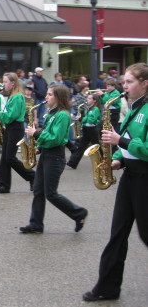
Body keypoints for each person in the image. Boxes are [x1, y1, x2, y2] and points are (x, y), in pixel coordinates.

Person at [83, 63, 148, 302]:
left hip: (145, 179)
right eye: (124, 82)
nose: (124, 86)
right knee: (117, 234)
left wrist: (119, 142)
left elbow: (141, 146)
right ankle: (107, 287)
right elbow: (131, 139)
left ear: (144, 83)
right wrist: (118, 160)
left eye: (130, 82)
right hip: (131, 177)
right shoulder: (133, 106)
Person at [20, 84, 88, 234]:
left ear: (58, 97)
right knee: (38, 191)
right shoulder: (52, 114)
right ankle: (36, 224)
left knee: (51, 193)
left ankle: (79, 213)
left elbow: (56, 139)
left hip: (55, 157)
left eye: (50, 95)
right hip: (47, 155)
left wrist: (35, 134)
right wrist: (40, 147)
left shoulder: (62, 115)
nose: (46, 97)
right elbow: (50, 136)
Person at [0, 72, 35, 194]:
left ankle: (32, 176)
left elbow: (12, 116)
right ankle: (4, 186)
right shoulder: (12, 95)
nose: (3, 84)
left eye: (5, 82)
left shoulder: (17, 97)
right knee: (5, 158)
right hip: (11, 128)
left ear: (13, 83)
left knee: (9, 158)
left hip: (16, 128)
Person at [66, 94, 101, 169]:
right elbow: (87, 119)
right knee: (81, 146)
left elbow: (91, 120)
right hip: (86, 129)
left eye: (89, 98)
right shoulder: (89, 108)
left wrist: (81, 119)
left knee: (96, 145)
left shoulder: (95, 109)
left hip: (92, 129)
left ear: (94, 100)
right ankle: (72, 163)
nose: (87, 100)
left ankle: (104, 161)